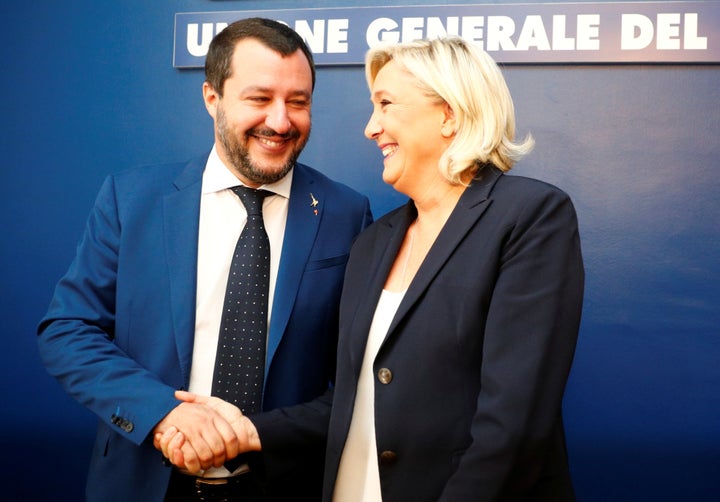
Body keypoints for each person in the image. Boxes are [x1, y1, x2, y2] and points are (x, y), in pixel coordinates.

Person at [162, 36, 584, 501]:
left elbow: (513, 421)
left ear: (449, 114)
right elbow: (351, 398)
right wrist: (248, 432)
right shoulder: (374, 241)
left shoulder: (529, 215)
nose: (370, 127)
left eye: (385, 105)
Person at [36, 17, 372, 502]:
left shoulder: (346, 213)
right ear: (212, 98)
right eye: (259, 99)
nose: (280, 121)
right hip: (144, 482)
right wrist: (162, 413)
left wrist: (257, 434)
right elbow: (68, 330)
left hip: (282, 483)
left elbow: (357, 376)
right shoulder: (131, 200)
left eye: (298, 102)